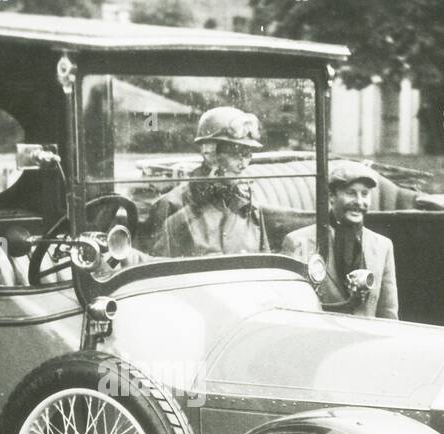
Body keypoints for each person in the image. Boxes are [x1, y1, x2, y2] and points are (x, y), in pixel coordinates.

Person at [147, 106, 269, 257]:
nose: (243, 164)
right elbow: (156, 271)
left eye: (247, 155)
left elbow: (266, 262)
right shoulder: (172, 205)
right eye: (235, 154)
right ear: (209, 152)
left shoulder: (249, 203)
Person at [281, 161, 398, 319]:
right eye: (351, 193)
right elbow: (292, 311)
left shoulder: (383, 246)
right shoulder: (298, 242)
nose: (359, 202)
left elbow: (388, 314)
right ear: (331, 197)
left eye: (364, 194)